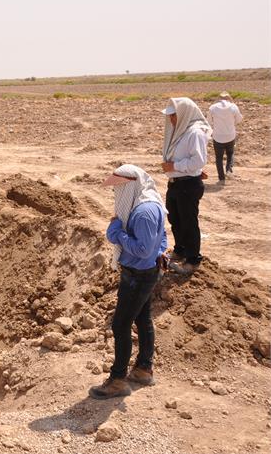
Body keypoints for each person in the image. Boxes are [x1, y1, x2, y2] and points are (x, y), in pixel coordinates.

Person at [89, 165, 168, 400]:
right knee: (143, 318)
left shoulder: (143, 212)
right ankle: (144, 369)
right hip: (145, 271)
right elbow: (161, 238)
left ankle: (118, 380)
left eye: (120, 188)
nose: (117, 194)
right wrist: (159, 252)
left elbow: (142, 249)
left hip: (137, 275)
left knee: (120, 325)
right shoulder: (152, 203)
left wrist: (116, 232)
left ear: (131, 185)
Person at [161, 97, 211, 272]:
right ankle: (180, 250)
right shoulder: (180, 131)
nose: (171, 119)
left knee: (188, 221)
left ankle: (192, 260)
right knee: (175, 218)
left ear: (184, 114)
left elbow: (198, 160)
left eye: (174, 115)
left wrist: (174, 167)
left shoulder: (194, 132)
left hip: (187, 185)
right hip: (176, 184)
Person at [208, 92, 243, 184]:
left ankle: (221, 178)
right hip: (230, 135)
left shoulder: (213, 108)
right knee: (230, 154)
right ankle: (229, 170)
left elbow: (209, 122)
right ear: (229, 98)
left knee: (219, 157)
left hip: (217, 136)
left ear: (218, 98)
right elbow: (239, 119)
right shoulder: (233, 107)